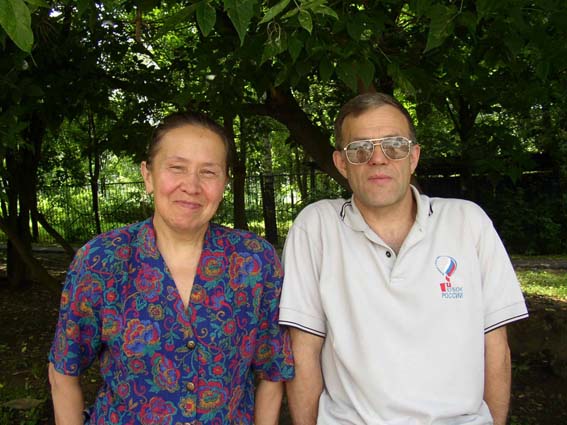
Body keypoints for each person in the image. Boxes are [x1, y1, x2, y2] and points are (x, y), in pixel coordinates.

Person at [279, 93, 528, 425]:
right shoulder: (316, 227)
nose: (377, 159)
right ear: (341, 163)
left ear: (413, 157)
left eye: (394, 146)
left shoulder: (467, 222)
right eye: (360, 149)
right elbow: (303, 351)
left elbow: (495, 346)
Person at [48, 111, 294, 425]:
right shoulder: (101, 261)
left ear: (224, 183)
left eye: (208, 172)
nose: (191, 186)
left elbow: (272, 372)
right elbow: (63, 371)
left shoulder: (254, 262)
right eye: (177, 168)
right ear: (148, 175)